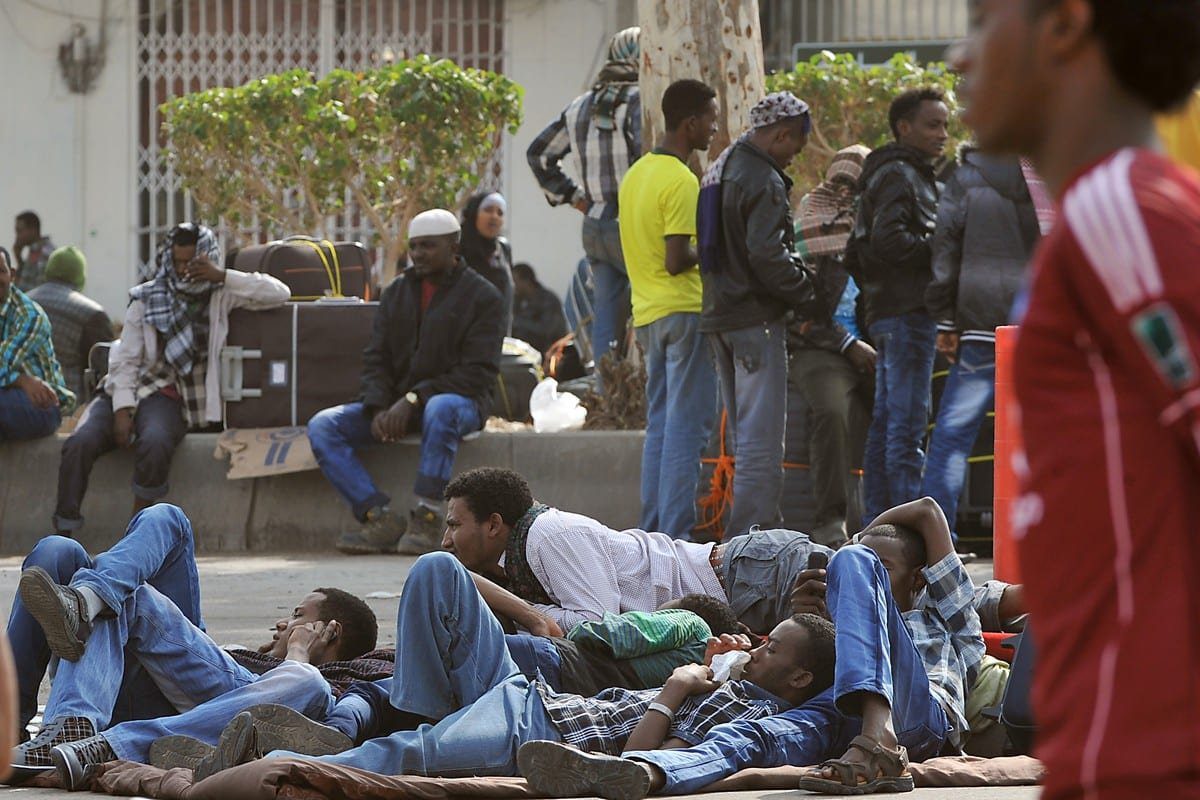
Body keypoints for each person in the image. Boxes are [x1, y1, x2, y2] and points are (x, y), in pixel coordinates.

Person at [952, 1, 1200, 798]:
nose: (961, 57)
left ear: (1064, 25)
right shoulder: (1099, 226)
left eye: (984, 22)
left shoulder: (1118, 216)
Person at [184, 552, 837, 781]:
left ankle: (289, 752)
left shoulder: (696, 633)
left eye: (769, 648)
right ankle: (331, 727)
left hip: (524, 691)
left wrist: (533, 614)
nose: (756, 650)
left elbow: (594, 635)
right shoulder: (729, 684)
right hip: (522, 697)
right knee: (388, 678)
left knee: (392, 705)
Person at [520, 497, 983, 799]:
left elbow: (926, 511)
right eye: (868, 571)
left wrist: (858, 550)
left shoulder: (945, 617)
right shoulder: (847, 622)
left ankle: (879, 734)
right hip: (845, 720)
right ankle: (645, 772)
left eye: (886, 568)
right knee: (754, 736)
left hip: (915, 720)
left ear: (919, 578)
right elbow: (796, 675)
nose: (868, 578)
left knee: (851, 558)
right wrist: (818, 621)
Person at [7, 504, 379, 781]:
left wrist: (300, 655)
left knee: (306, 682)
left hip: (221, 705)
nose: (284, 622)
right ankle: (38, 716)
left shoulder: (337, 683)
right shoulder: (244, 656)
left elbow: (345, 727)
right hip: (124, 681)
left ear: (330, 631)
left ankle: (90, 735)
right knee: (57, 551)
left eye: (298, 615)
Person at [53, 223, 289, 534]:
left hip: (168, 395)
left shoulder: (221, 294)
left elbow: (278, 293)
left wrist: (222, 275)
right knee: (79, 443)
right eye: (177, 262)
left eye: (191, 262)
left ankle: (138, 533)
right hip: (123, 388)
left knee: (155, 441)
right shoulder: (147, 297)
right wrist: (122, 409)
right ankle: (64, 532)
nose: (183, 270)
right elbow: (126, 360)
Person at [307, 209, 504, 556]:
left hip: (459, 402)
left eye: (428, 246)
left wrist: (414, 398)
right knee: (324, 426)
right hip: (399, 404)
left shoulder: (484, 296)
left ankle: (428, 516)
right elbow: (376, 357)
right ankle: (378, 517)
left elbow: (477, 372)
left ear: (454, 246)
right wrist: (378, 405)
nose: (418, 255)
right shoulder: (397, 291)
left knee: (441, 407)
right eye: (414, 247)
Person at [442, 467, 831, 634]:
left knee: (876, 588)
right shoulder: (520, 555)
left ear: (493, 524)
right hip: (742, 594)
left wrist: (514, 606)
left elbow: (598, 622)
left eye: (454, 525)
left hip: (755, 572)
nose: (445, 540)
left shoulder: (548, 534)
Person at [696, 91, 820, 537]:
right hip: (755, 321)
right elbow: (768, 256)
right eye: (795, 147)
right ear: (782, 134)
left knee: (745, 438)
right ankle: (754, 539)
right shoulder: (763, 180)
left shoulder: (720, 168)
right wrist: (807, 290)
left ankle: (746, 535)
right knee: (761, 443)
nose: (795, 157)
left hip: (720, 318)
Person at [921, 148, 1042, 545]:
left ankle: (937, 540)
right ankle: (1039, 536)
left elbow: (945, 245)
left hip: (979, 319)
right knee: (1040, 429)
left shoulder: (965, 177)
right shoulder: (1043, 170)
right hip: (1037, 321)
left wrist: (945, 317)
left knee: (954, 433)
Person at [619, 79, 719, 540]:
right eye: (711, 120)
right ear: (690, 122)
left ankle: (652, 534)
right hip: (685, 312)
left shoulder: (636, 174)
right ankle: (675, 540)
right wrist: (718, 246)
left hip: (649, 315)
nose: (714, 129)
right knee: (686, 434)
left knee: (660, 429)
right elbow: (677, 259)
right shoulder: (681, 179)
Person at [849, 88, 948, 523]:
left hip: (892, 313)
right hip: (907, 313)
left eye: (945, 125)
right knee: (905, 429)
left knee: (889, 425)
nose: (942, 134)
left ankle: (882, 528)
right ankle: (909, 534)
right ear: (904, 127)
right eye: (933, 125)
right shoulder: (900, 175)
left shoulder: (896, 172)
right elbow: (889, 240)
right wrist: (940, 245)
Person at [527, 27, 641, 374]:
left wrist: (575, 198)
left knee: (605, 316)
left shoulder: (580, 106)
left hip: (595, 225)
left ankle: (608, 395)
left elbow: (538, 155)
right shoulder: (640, 101)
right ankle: (645, 395)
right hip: (634, 225)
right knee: (648, 311)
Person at [790, 145, 876, 547]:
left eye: (853, 185)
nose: (844, 194)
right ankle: (830, 522)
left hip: (875, 344)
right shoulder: (811, 217)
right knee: (831, 410)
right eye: (838, 183)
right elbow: (800, 311)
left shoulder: (875, 224)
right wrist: (847, 343)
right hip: (821, 346)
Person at [0, 247, 74, 442]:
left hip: (41, 405)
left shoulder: (29, 315)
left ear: (12, 275)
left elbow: (2, 361)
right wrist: (21, 380)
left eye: (1, 271)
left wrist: (19, 383)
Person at [27, 246, 115, 402]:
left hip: (19, 401)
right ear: (80, 276)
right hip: (68, 408)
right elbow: (105, 372)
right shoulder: (92, 314)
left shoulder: (23, 303)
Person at [460, 192, 515, 335]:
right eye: (488, 210)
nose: (494, 216)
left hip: (499, 335)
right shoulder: (459, 248)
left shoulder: (503, 249)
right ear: (474, 213)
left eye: (500, 213)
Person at [511, 262, 568, 354]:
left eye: (515, 281)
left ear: (526, 281)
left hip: (549, 354)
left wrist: (518, 322)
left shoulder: (548, 300)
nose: (512, 285)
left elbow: (547, 331)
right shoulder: (517, 300)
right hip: (523, 354)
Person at [12, 211, 56, 292]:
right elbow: (24, 282)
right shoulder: (34, 250)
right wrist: (18, 257)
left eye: (20, 231)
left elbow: (41, 289)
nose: (17, 236)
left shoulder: (45, 252)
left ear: (33, 229)